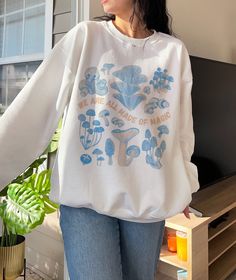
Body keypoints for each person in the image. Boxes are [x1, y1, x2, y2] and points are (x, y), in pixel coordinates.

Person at [0, 0, 200, 279]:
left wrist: (184, 184)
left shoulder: (172, 51)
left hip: (148, 200)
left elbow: (180, 130)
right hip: (86, 200)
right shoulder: (86, 37)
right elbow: (33, 108)